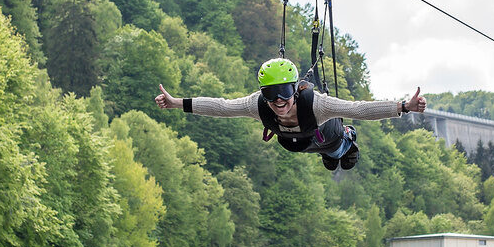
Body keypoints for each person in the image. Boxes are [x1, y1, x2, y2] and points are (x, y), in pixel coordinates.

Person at [155, 58, 427, 170]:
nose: (279, 101)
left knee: (335, 150)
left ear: (295, 89)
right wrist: (177, 102)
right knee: (318, 153)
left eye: (284, 91)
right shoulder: (258, 105)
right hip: (298, 143)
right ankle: (330, 152)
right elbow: (221, 107)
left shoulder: (316, 104)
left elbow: (359, 109)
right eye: (270, 94)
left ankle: (348, 139)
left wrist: (402, 107)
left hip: (327, 133)